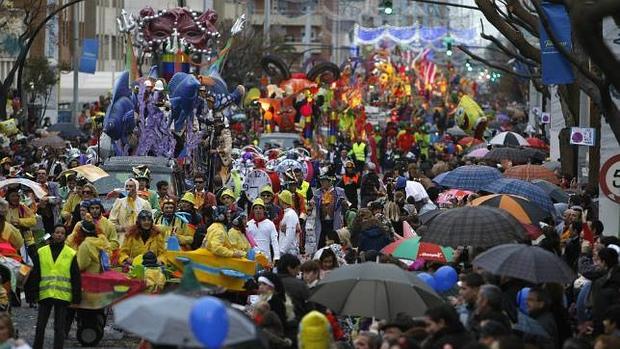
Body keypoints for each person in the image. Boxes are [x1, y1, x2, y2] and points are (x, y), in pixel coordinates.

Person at [32, 224, 81, 349]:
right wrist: (33, 292)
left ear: (65, 236)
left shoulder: (70, 253)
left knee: (59, 328)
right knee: (40, 326)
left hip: (62, 295)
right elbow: (36, 273)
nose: (59, 235)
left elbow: (75, 276)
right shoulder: (42, 252)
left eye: (62, 233)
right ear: (52, 234)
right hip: (45, 293)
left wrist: (76, 297)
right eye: (57, 232)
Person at [591, 247, 620, 335]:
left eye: (598, 260)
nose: (596, 264)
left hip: (607, 329)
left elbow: (599, 311)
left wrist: (596, 330)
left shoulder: (601, 283)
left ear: (604, 262)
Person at [314, 175, 347, 249]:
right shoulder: (317, 192)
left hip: (334, 222)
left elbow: (347, 205)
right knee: (321, 243)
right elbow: (312, 204)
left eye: (324, 181)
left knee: (335, 242)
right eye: (321, 181)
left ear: (330, 182)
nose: (322, 183)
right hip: (322, 222)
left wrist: (345, 203)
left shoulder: (339, 191)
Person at [276, 254, 310, 322]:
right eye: (297, 269)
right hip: (297, 324)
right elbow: (309, 308)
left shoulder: (270, 283)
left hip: (274, 325)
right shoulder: (300, 285)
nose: (298, 273)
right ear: (289, 268)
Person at [247, 199, 280, 263]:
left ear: (264, 210)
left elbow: (274, 241)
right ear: (253, 210)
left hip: (266, 258)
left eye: (260, 208)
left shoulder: (270, 223)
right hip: (252, 258)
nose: (258, 210)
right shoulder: (248, 224)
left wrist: (276, 257)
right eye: (256, 208)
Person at [278, 190, 300, 257]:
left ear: (282, 200)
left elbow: (290, 234)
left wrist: (282, 251)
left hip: (289, 252)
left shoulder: (290, 214)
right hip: (287, 250)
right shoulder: (287, 213)